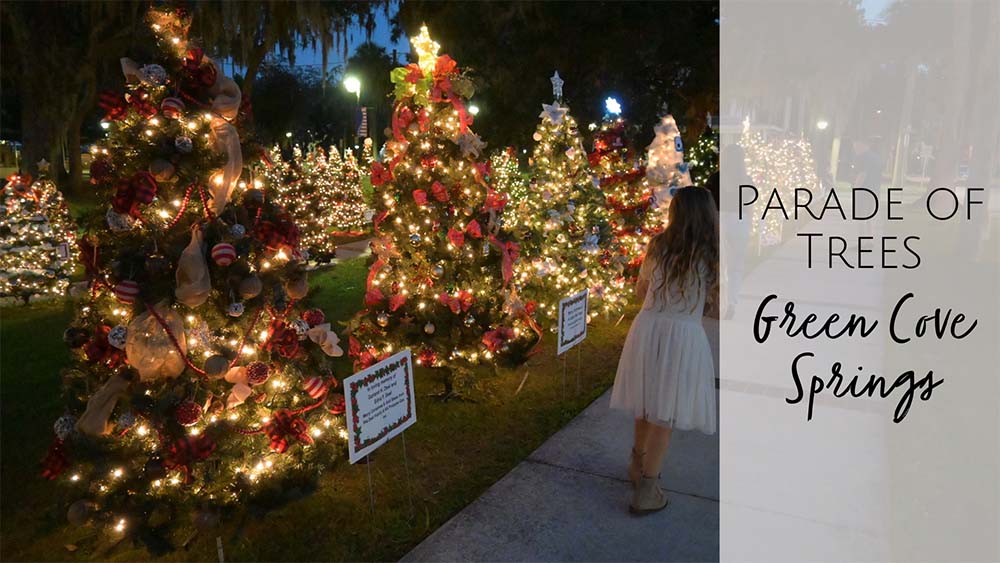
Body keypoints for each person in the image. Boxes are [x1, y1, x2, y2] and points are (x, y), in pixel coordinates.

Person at [610, 186, 719, 515]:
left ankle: (636, 462)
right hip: (682, 334)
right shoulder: (711, 254)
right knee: (665, 413)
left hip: (649, 327)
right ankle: (648, 487)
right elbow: (715, 308)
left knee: (646, 401)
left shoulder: (657, 244)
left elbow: (642, 289)